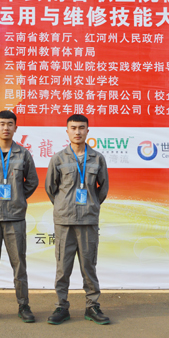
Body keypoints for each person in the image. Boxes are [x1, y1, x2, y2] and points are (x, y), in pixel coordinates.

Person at [45, 114, 110, 325]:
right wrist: (63, 205)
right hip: (64, 221)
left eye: (81, 127)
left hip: (88, 221)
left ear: (87, 131)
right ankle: (61, 306)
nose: (77, 131)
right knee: (62, 267)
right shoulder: (58, 158)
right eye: (73, 128)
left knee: (89, 266)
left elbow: (103, 188)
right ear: (67, 131)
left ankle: (92, 306)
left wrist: (91, 204)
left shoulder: (97, 158)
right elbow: (50, 188)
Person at [0, 110, 39, 323]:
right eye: (2, 124)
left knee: (19, 265)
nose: (6, 128)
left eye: (10, 124)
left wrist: (17, 198)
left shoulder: (23, 154)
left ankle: (24, 305)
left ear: (15, 127)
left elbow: (32, 182)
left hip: (15, 219)